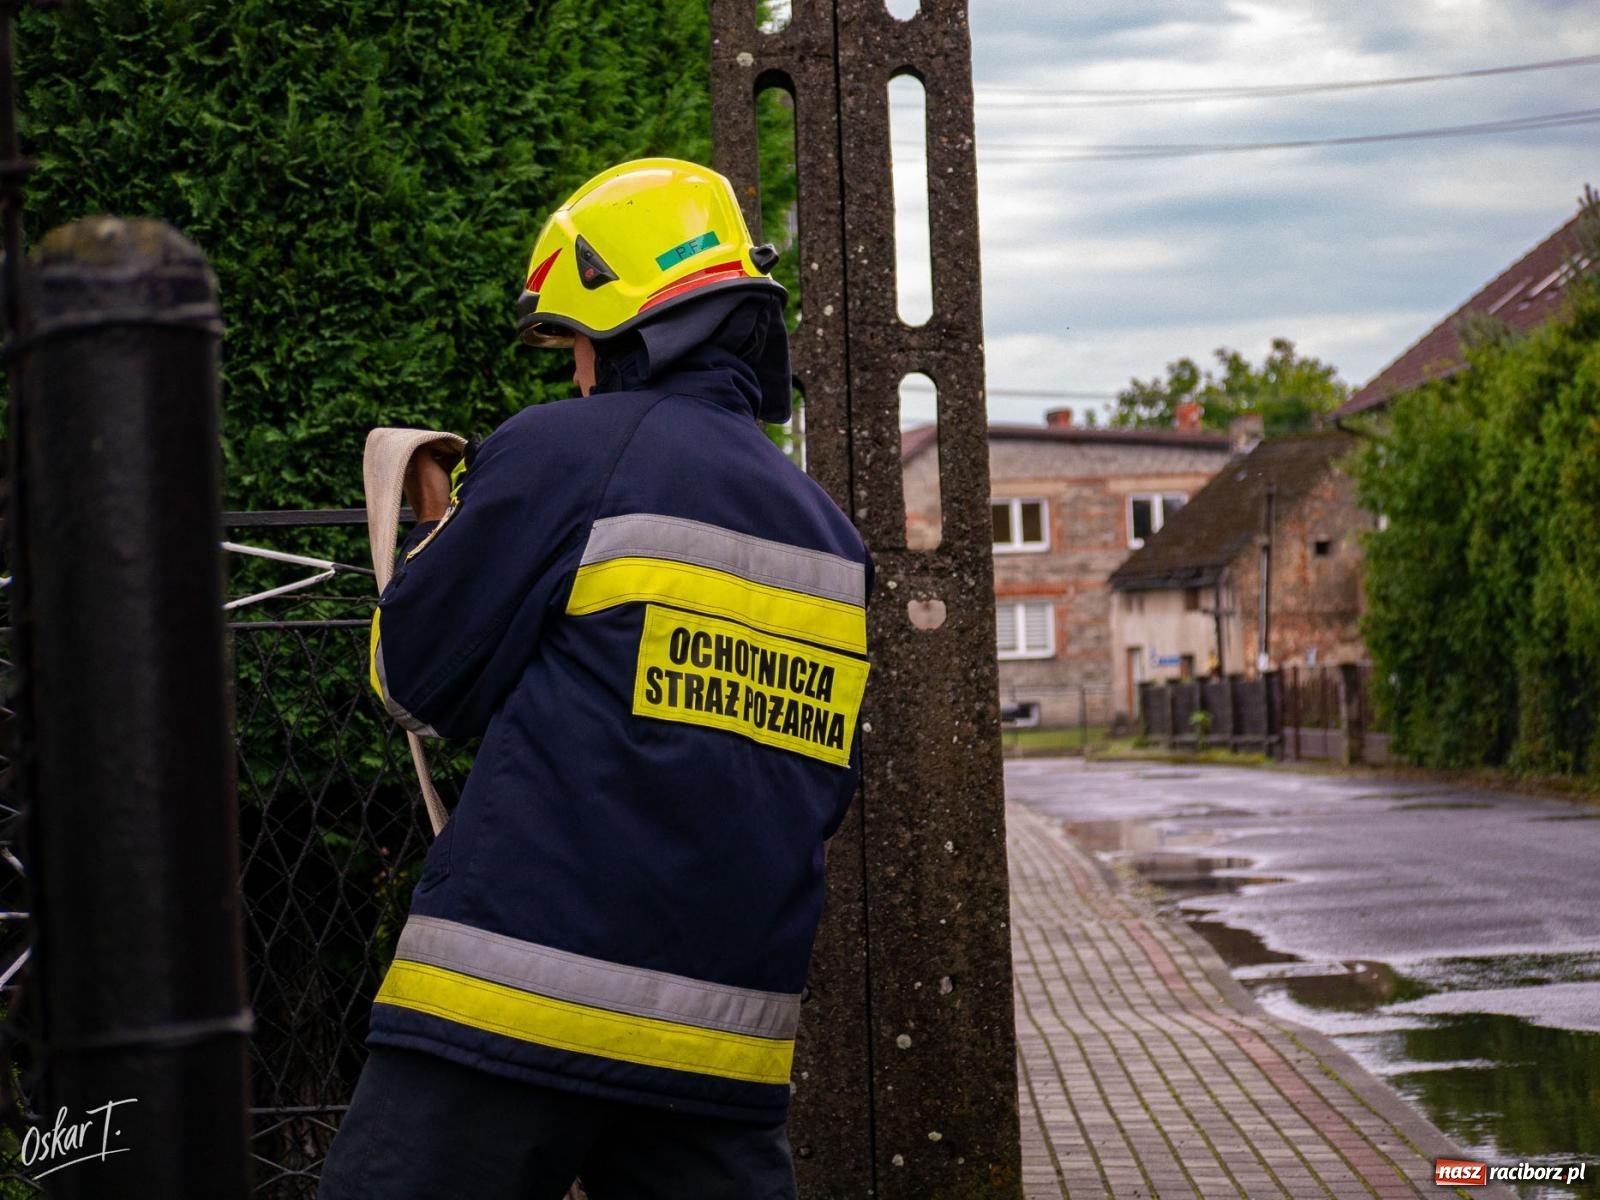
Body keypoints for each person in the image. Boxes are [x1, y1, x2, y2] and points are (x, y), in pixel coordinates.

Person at [318, 159, 872, 1200]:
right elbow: (820, 784)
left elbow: (411, 682)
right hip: (721, 1048)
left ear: (616, 325)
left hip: (507, 1012)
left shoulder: (566, 449)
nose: (570, 373)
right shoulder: (830, 536)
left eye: (570, 343)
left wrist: (438, 532)